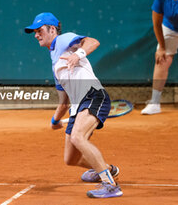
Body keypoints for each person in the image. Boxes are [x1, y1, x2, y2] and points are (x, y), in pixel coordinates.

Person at [25, 12, 122, 198]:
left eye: (39, 30)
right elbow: (64, 101)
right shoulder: (55, 64)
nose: (36, 35)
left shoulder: (63, 40)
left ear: (52, 29)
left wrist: (78, 55)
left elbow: (93, 42)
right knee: (70, 158)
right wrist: (55, 120)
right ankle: (107, 169)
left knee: (78, 136)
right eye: (34, 32)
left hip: (93, 94)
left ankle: (110, 184)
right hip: (77, 105)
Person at [141, 0, 178, 115]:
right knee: (161, 60)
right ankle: (155, 103)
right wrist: (162, 47)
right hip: (169, 28)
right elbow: (157, 24)